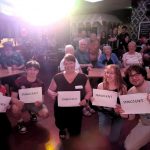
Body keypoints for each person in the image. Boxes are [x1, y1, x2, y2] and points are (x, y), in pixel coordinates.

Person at [48, 54, 92, 139]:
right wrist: (52, 94)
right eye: (66, 63)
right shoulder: (57, 77)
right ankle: (62, 129)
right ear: (63, 64)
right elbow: (49, 90)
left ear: (75, 64)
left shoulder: (83, 77)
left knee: (75, 133)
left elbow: (89, 91)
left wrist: (85, 99)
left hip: (76, 107)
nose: (68, 65)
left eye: (71, 63)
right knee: (61, 123)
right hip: (61, 107)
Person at [116, 65, 150, 150]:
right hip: (145, 123)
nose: (134, 78)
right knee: (129, 147)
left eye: (137, 75)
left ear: (143, 75)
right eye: (131, 76)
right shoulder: (131, 92)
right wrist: (124, 113)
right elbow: (131, 117)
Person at [11, 60, 49, 133]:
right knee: (14, 108)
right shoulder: (19, 81)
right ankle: (20, 122)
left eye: (35, 70)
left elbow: (42, 99)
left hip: (34, 103)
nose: (32, 72)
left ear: (38, 71)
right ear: (26, 70)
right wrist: (17, 101)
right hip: (22, 103)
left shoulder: (40, 83)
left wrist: (40, 102)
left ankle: (32, 112)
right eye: (30, 69)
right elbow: (13, 97)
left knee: (45, 114)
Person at [94, 64, 127, 143]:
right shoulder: (100, 86)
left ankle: (115, 125)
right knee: (103, 133)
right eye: (107, 72)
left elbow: (125, 105)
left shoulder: (122, 87)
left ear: (117, 75)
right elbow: (99, 106)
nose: (108, 75)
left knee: (113, 139)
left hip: (117, 114)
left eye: (111, 73)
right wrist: (96, 103)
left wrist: (120, 108)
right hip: (105, 112)